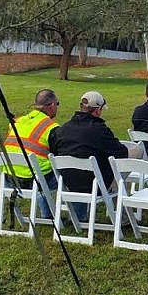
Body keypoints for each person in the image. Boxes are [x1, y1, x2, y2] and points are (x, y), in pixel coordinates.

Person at [48, 91, 128, 222]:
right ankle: (122, 215)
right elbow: (121, 152)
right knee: (126, 161)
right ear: (97, 110)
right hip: (95, 184)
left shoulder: (62, 130)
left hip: (69, 183)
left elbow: (55, 153)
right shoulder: (99, 130)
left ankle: (81, 214)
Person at [1, 88, 60, 218]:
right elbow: (58, 156)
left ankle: (48, 214)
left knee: (40, 169)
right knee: (64, 172)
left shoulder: (17, 122)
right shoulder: (51, 127)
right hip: (33, 181)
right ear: (51, 105)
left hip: (9, 179)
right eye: (57, 104)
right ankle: (78, 215)